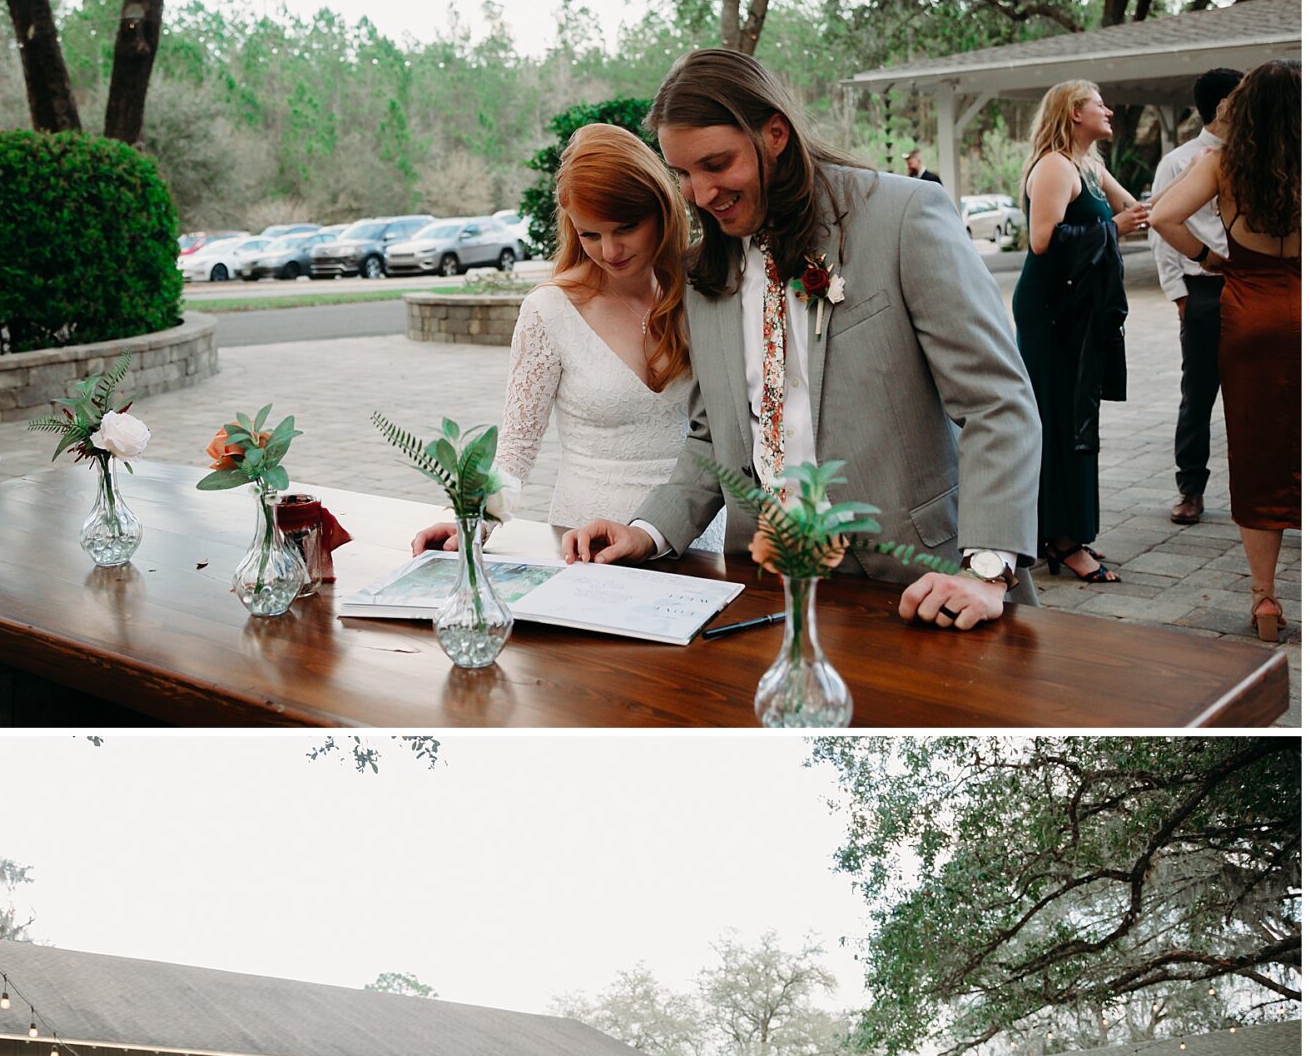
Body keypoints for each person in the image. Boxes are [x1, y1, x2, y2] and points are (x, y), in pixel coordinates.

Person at [562, 48, 1041, 634]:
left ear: (776, 134)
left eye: (716, 164)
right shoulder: (701, 272)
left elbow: (997, 402)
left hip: (923, 587)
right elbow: (716, 436)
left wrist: (987, 570)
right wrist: (648, 530)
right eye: (683, 174)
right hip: (766, 590)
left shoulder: (902, 217)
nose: (700, 193)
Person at [411, 123, 702, 551]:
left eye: (625, 227)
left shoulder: (701, 292)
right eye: (590, 234)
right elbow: (517, 447)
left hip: (690, 536)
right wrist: (475, 520)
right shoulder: (549, 310)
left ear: (661, 208)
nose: (610, 251)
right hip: (585, 544)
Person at [1150, 59, 1299, 643]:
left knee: (1256, 449)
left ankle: (1265, 601)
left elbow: (1161, 215)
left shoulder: (1223, 163)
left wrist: (1212, 260)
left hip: (1248, 307)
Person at [1012, 81, 1149, 586]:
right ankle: (1062, 540)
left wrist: (1118, 213)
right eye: (1099, 104)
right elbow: (1043, 241)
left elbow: (1135, 210)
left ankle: (1068, 530)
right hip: (1050, 311)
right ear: (1074, 113)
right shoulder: (1052, 166)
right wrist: (1114, 225)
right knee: (1058, 414)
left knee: (1077, 413)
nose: (1109, 110)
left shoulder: (1086, 166)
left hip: (1078, 309)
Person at [1148, 68, 1243, 525]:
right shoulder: (1179, 161)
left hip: (1252, 283)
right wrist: (1180, 298)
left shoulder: (1259, 156)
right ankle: (1190, 488)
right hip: (1203, 289)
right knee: (1198, 393)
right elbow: (1161, 234)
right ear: (1224, 105)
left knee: (1260, 390)